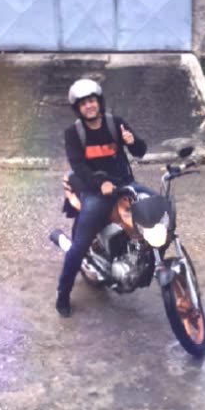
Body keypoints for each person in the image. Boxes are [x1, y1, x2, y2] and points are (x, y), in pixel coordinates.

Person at [52, 78, 153, 317]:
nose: (89, 106)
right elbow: (78, 166)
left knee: (159, 211)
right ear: (78, 108)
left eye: (92, 100)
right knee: (79, 246)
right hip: (95, 191)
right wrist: (101, 183)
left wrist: (133, 142)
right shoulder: (73, 133)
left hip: (125, 184)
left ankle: (148, 264)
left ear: (99, 101)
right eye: (83, 103)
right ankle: (63, 294)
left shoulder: (115, 123)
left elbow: (140, 151)